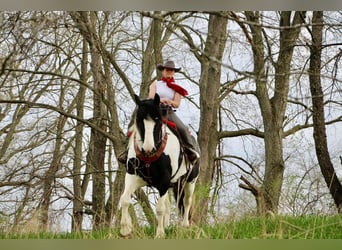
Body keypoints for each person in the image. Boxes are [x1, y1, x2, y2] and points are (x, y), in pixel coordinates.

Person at [118, 60, 200, 164]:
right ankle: (127, 150)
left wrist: (169, 101)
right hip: (154, 110)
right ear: (163, 71)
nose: (169, 72)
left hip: (167, 112)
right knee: (136, 119)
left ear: (174, 72)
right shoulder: (155, 84)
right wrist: (160, 100)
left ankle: (190, 150)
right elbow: (151, 98)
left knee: (182, 128)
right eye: (167, 70)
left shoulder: (177, 88)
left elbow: (177, 104)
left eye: (171, 70)